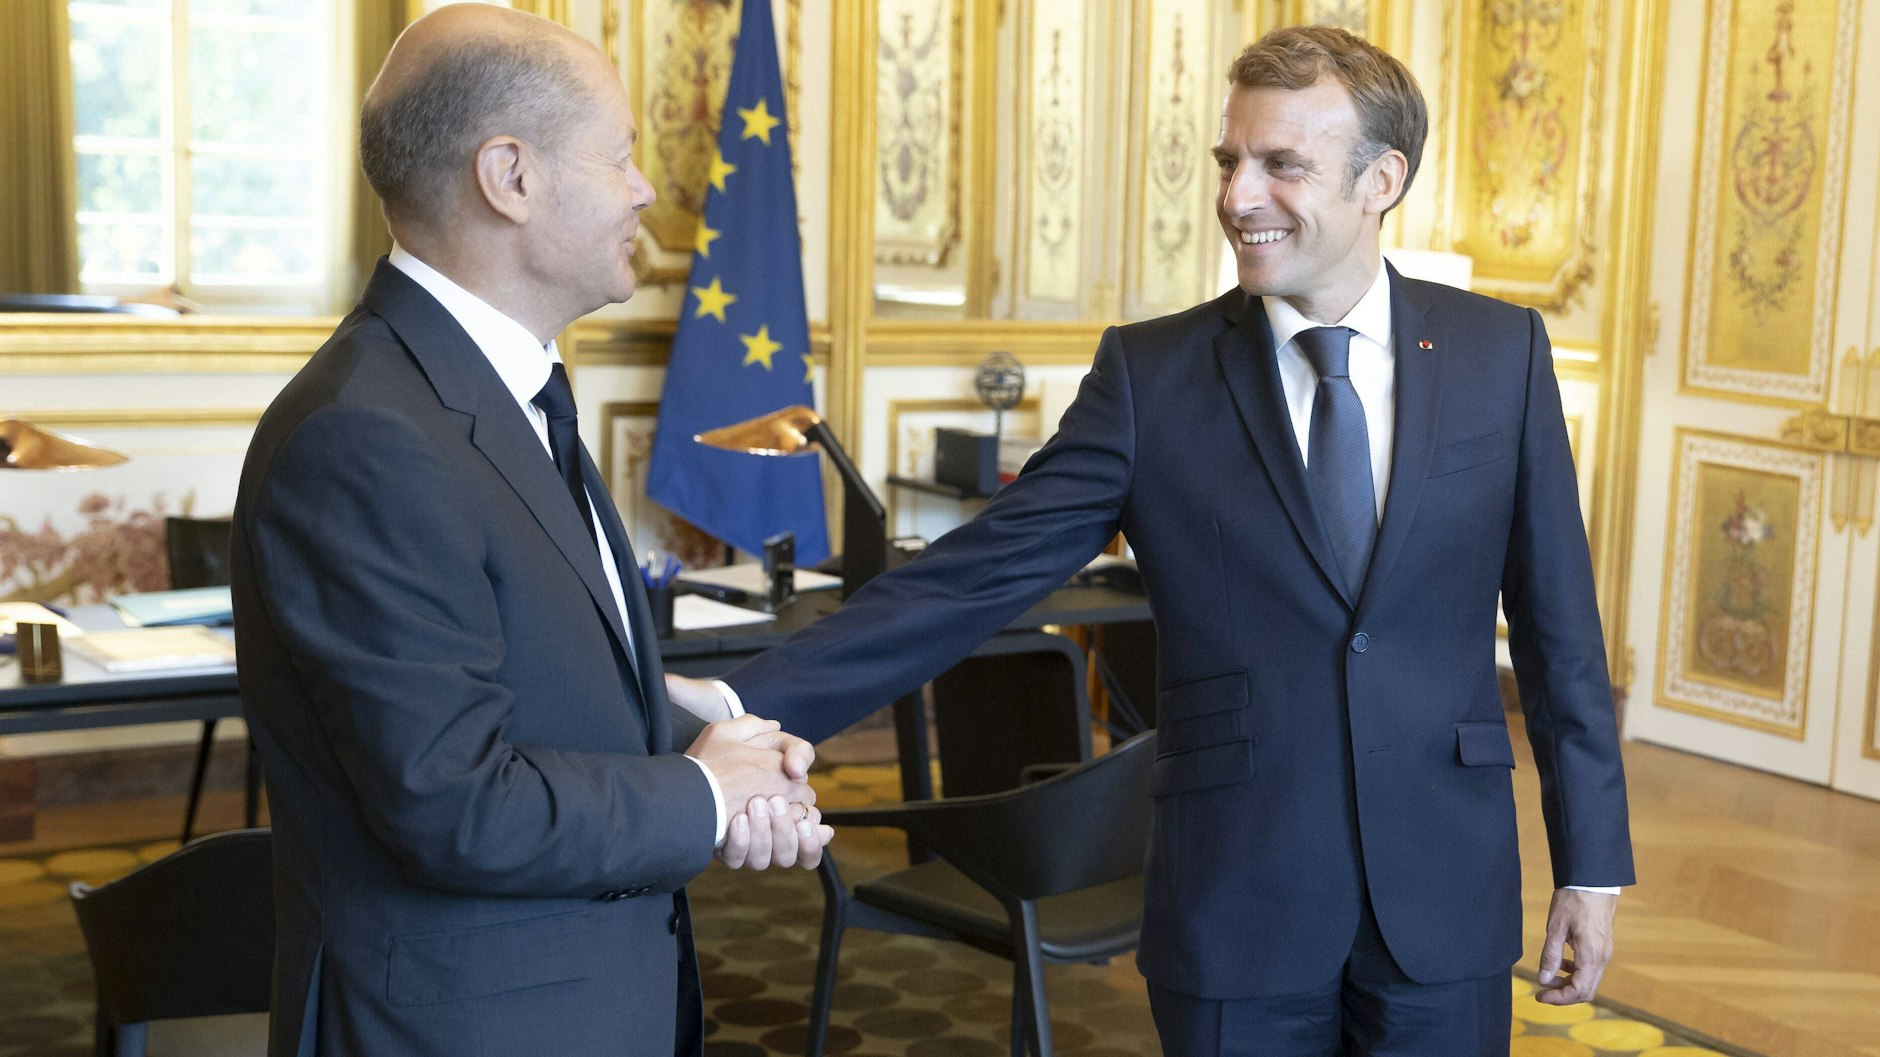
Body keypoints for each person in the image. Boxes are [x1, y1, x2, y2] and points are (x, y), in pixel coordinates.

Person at [672, 24, 1633, 1056]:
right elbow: (971, 578)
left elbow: (1560, 636)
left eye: (1280, 164)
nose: (1237, 195)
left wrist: (1591, 864)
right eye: (1229, 160)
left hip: (1444, 895)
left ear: (1381, 180)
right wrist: (747, 699)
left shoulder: (1501, 353)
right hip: (1237, 904)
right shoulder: (1150, 378)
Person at [229, 7, 830, 1057]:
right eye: (619, 155)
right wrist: (702, 791)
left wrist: (670, 720)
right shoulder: (366, 435)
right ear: (509, 176)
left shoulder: (490, 387)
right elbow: (452, 801)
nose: (644, 190)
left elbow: (499, 678)